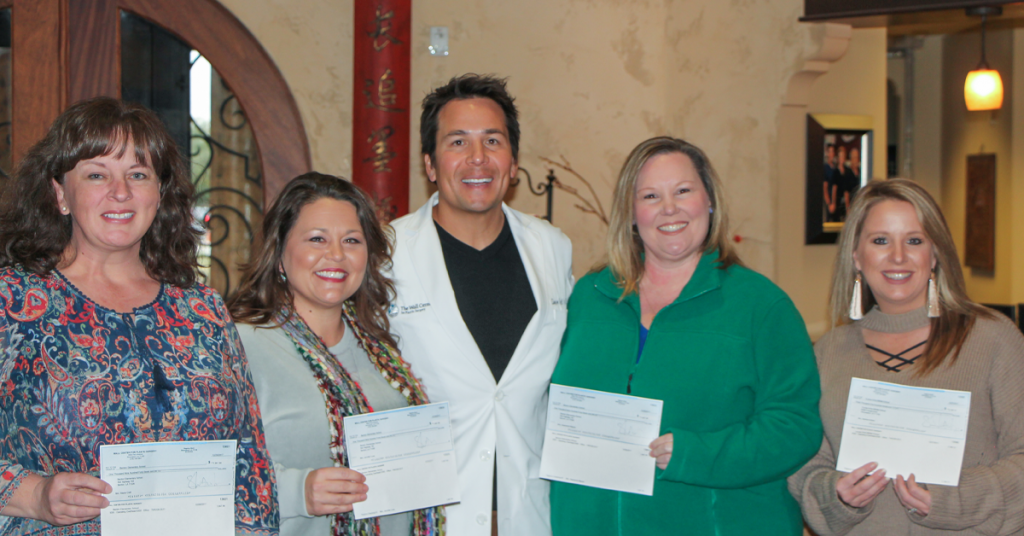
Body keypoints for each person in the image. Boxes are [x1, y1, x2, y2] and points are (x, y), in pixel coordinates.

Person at [0, 97, 277, 535]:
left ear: (159, 194)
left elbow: (250, 463)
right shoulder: (13, 302)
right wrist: (32, 494)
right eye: (96, 175)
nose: (121, 192)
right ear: (60, 193)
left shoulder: (203, 309)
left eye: (138, 174)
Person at [550, 136, 822, 536]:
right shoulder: (587, 299)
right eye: (650, 196)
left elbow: (795, 426)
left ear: (709, 201)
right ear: (630, 212)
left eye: (683, 191)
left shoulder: (761, 306)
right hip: (588, 523)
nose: (669, 208)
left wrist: (697, 453)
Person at [386, 74, 573, 535]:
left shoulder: (552, 247)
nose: (477, 158)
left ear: (512, 163)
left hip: (530, 509)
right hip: (426, 512)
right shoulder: (385, 253)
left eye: (493, 140)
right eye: (457, 142)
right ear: (430, 164)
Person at [789, 179, 1024, 535]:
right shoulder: (828, 353)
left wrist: (953, 500)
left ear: (935, 254)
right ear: (856, 255)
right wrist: (836, 493)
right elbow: (806, 465)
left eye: (914, 241)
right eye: (880, 240)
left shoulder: (992, 340)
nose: (898, 256)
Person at [227, 173, 444, 536]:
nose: (337, 255)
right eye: (317, 239)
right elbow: (206, 476)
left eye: (351, 240)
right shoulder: (239, 345)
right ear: (280, 256)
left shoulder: (381, 350)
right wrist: (298, 492)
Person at [824, 143, 839, 222]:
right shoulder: (825, 168)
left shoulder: (836, 168)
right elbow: (825, 188)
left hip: (836, 201)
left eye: (833, 152)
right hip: (829, 203)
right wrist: (829, 204)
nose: (831, 154)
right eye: (829, 152)